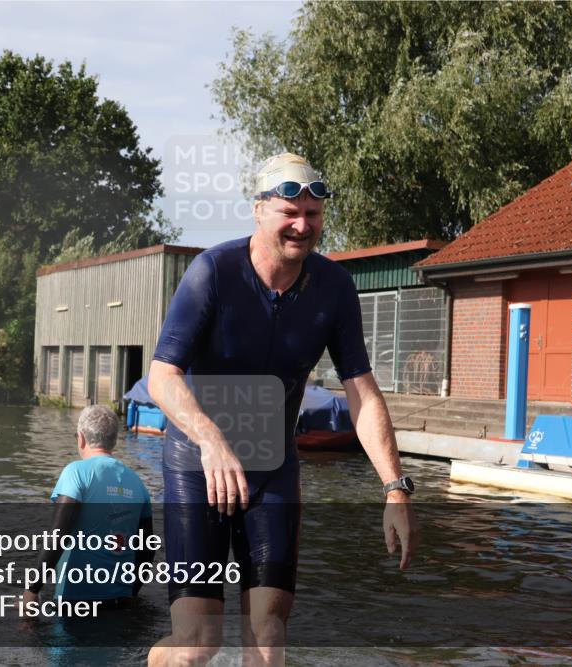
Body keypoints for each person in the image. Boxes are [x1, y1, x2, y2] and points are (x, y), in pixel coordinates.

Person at [146, 153, 420, 666]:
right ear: (258, 211)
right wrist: (212, 442)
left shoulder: (334, 288)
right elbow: (162, 376)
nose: (301, 225)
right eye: (289, 212)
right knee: (196, 646)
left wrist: (394, 488)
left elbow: (361, 390)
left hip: (272, 468)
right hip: (197, 464)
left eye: (312, 215)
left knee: (269, 641)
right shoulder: (213, 272)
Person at [20, 405, 154, 609]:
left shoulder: (76, 472)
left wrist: (32, 590)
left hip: (76, 600)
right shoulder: (137, 482)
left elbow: (58, 535)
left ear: (81, 437)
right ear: (114, 440)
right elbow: (147, 551)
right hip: (121, 602)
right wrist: (131, 591)